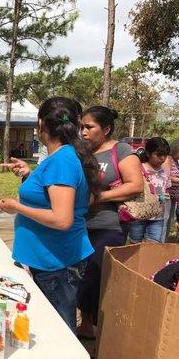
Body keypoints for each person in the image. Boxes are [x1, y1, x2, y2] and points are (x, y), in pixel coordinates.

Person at [0, 97, 101, 359]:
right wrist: (30, 175)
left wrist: (16, 206)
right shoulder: (61, 159)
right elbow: (54, 196)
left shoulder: (62, 161)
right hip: (48, 259)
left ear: (42, 125)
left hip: (57, 262)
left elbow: (61, 218)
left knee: (62, 331)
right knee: (51, 323)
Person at [77, 106, 143, 339]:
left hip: (109, 225)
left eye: (89, 127)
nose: (83, 132)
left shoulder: (121, 150)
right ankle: (86, 325)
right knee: (83, 276)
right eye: (81, 127)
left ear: (106, 129)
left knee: (97, 274)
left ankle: (103, 328)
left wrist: (100, 197)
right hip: (80, 224)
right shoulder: (83, 152)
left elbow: (135, 185)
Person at [129, 137, 171, 243]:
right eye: (158, 155)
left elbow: (165, 188)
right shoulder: (138, 168)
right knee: (135, 245)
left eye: (165, 155)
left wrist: (165, 195)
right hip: (139, 214)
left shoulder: (164, 171)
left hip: (157, 216)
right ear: (148, 153)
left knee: (153, 246)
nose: (162, 158)